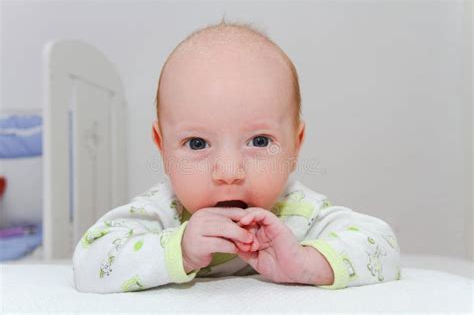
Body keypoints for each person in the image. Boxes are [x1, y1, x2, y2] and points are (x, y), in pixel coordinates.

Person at [73, 20, 400, 293]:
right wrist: (180, 249)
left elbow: (382, 245)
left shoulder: (298, 212)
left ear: (295, 145)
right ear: (162, 148)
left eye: (259, 141)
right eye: (197, 144)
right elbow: (89, 261)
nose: (229, 172)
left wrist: (306, 263)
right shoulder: (162, 213)